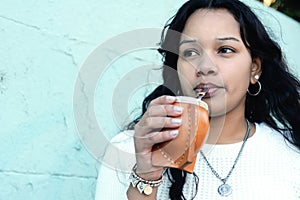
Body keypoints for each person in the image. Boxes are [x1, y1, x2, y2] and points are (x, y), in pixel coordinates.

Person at [95, 0, 300, 199]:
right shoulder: (128, 149)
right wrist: (146, 177)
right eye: (190, 52)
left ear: (254, 68)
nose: (204, 67)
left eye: (225, 50)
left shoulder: (291, 155)